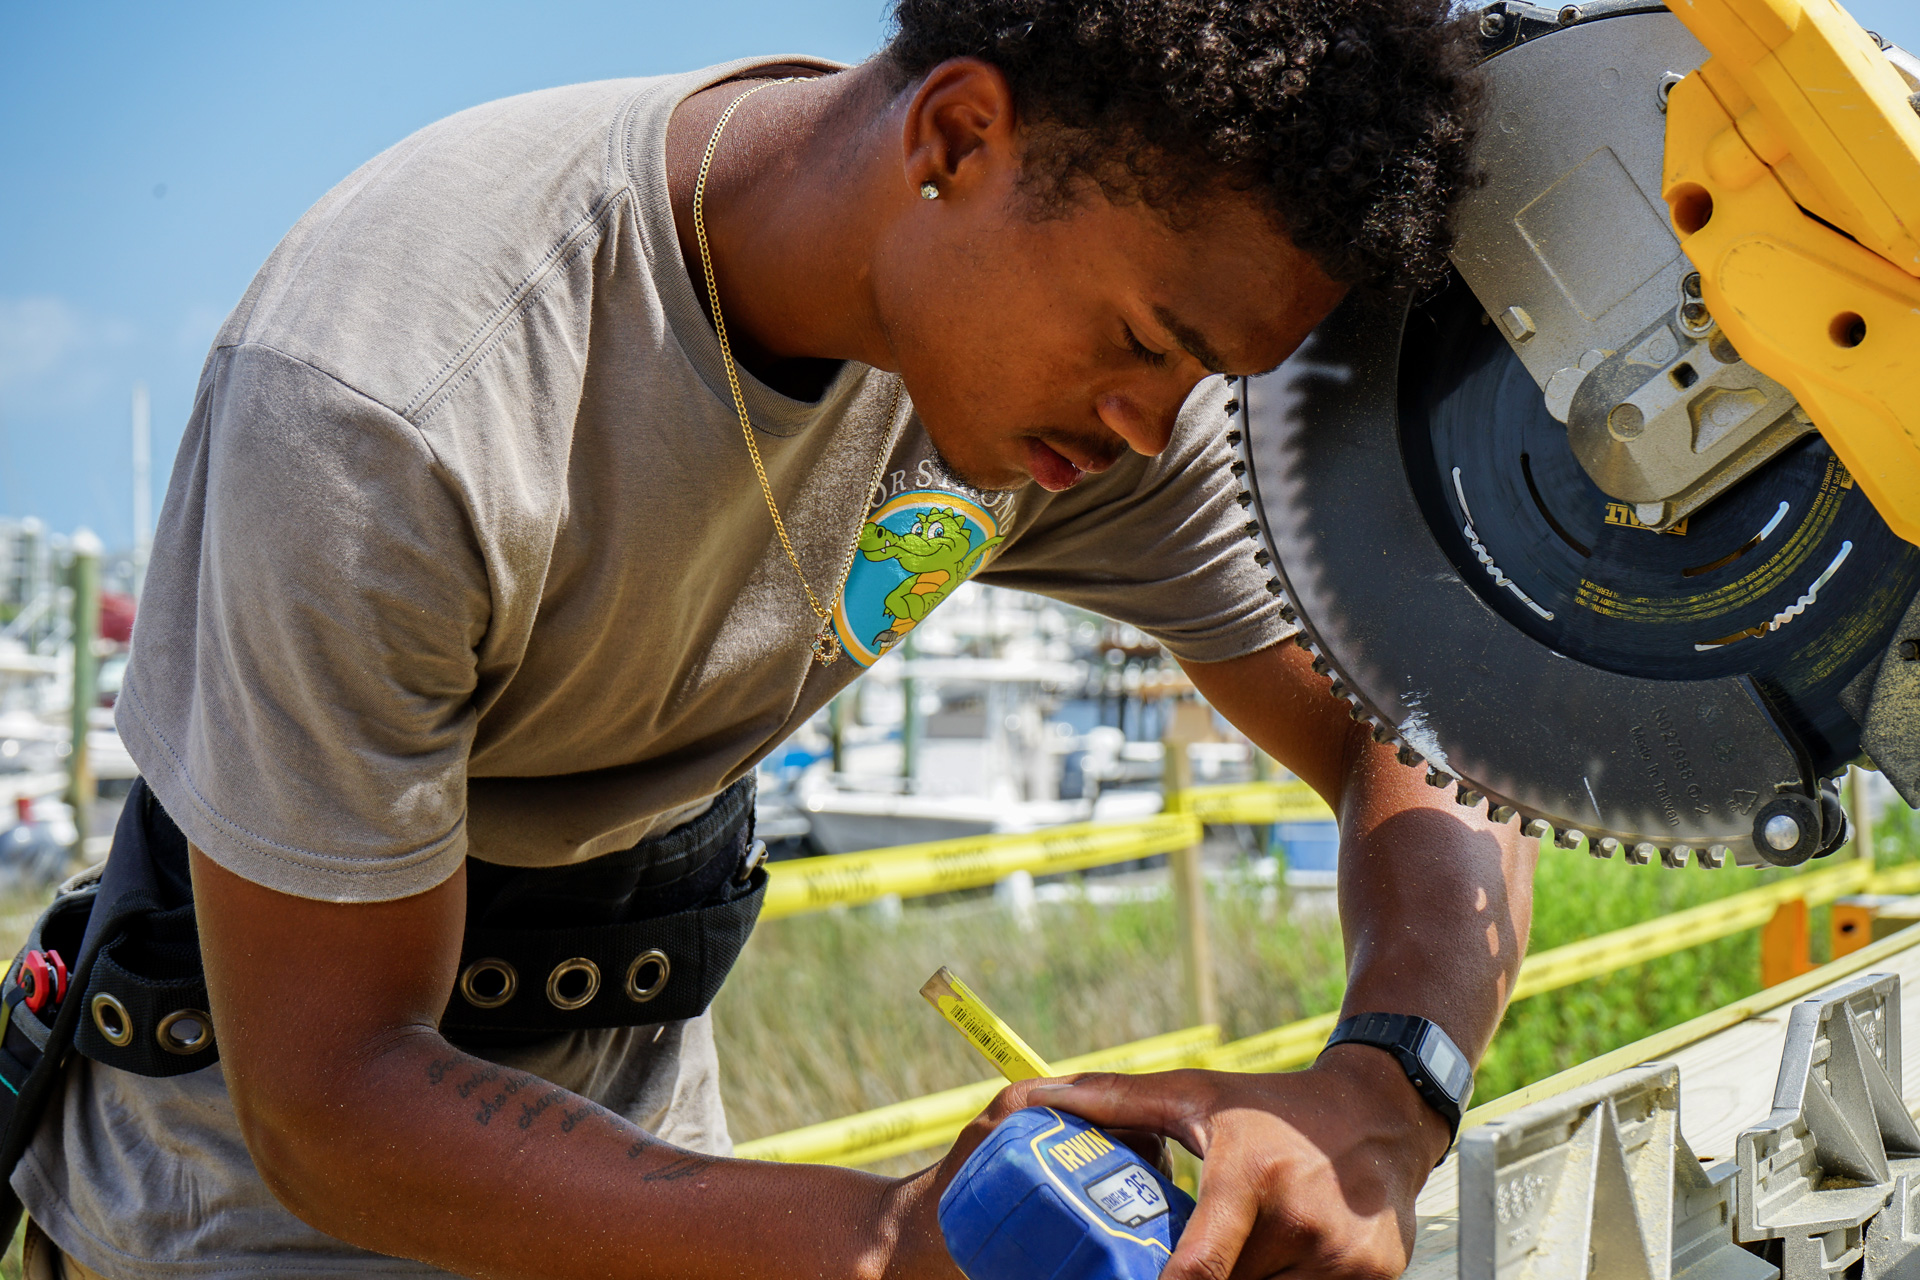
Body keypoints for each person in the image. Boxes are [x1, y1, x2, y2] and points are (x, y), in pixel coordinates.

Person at [12, 0, 1534, 1277]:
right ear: (955, 140)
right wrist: (881, 1243)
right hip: (257, 1182)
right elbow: (329, 1095)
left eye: (1209, 373)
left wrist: (1386, 1090)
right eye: (1148, 344)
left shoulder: (1098, 408)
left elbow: (1439, 730)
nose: (1156, 424)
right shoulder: (393, 401)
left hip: (637, 1086)